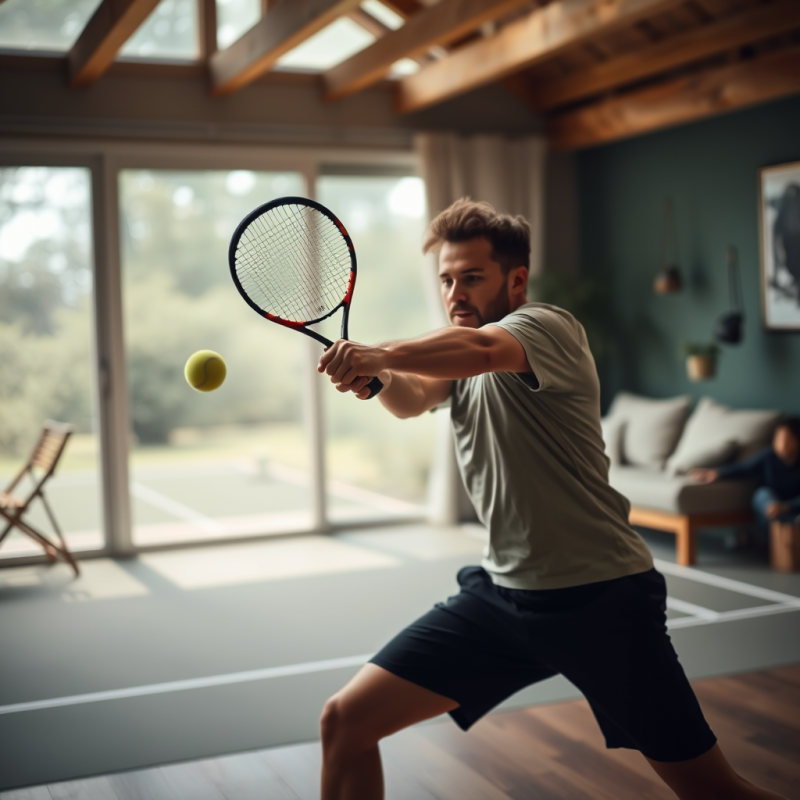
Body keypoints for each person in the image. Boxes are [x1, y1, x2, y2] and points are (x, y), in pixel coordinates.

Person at [316, 199, 787, 800]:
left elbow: (487, 351)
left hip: (599, 600)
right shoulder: (458, 357)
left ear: (516, 280)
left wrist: (379, 353)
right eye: (446, 279)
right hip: (501, 600)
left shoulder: (547, 327)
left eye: (472, 277)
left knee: (712, 790)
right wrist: (378, 379)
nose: (455, 292)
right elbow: (410, 399)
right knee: (345, 721)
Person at [691, 418, 800, 534]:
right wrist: (717, 473)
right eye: (778, 438)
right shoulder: (769, 455)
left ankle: (787, 519)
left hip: (792, 506)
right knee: (762, 494)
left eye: (788, 439)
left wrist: (786, 506)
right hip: (769, 505)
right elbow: (744, 468)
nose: (782, 444)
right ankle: (791, 521)